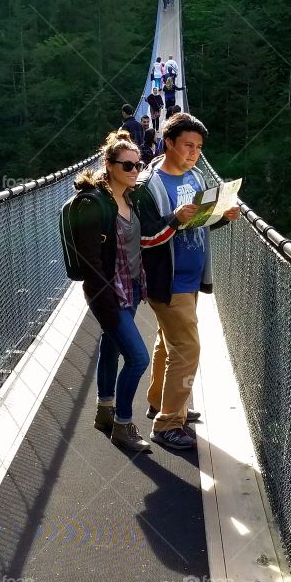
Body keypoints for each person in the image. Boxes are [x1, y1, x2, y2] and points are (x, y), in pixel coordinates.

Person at [133, 112, 241, 451]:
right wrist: (174, 220)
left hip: (192, 276)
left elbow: (201, 222)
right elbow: (144, 237)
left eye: (198, 147)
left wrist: (223, 217)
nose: (193, 153)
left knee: (169, 343)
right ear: (168, 143)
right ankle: (168, 423)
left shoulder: (195, 177)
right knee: (188, 348)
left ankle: (161, 403)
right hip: (168, 279)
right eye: (187, 145)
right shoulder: (148, 185)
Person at [65, 131, 164, 454]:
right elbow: (90, 264)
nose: (135, 171)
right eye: (127, 166)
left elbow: (152, 233)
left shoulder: (132, 197)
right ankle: (123, 425)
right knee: (137, 358)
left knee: (111, 347)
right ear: (108, 165)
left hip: (133, 287)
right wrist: (106, 306)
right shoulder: (92, 205)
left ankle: (104, 411)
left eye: (138, 165)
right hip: (108, 294)